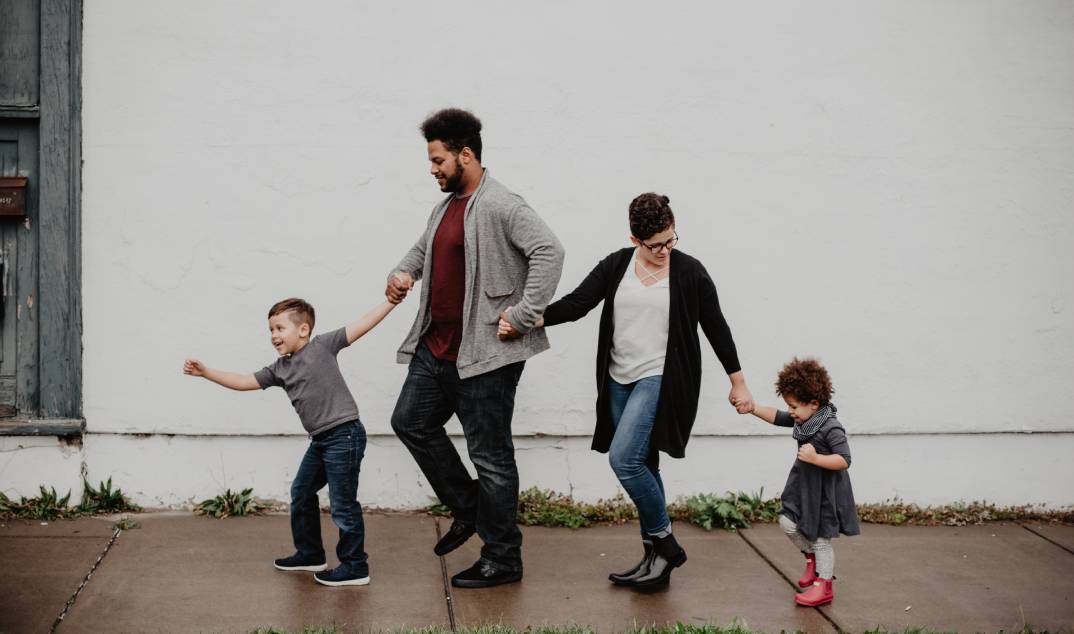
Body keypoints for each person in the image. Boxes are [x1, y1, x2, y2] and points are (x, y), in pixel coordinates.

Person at [499, 193, 754, 589]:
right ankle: (655, 562)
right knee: (645, 464)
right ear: (636, 239)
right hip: (618, 379)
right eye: (656, 245)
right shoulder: (618, 265)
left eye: (671, 240)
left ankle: (666, 544)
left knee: (624, 460)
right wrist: (527, 320)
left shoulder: (689, 272)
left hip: (661, 378)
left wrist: (737, 381)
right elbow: (578, 303)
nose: (665, 250)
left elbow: (716, 326)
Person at [386, 108, 564, 588]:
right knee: (410, 422)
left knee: (491, 457)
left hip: (485, 355)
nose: (433, 169)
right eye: (431, 159)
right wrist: (402, 273)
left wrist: (524, 314)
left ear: (466, 154)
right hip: (436, 348)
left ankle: (503, 558)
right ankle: (469, 509)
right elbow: (423, 250)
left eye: (438, 159)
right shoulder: (445, 206)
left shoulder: (502, 204)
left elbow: (550, 251)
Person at [183, 297, 396, 587]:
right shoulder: (280, 369)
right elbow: (244, 381)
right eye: (271, 330)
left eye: (280, 328)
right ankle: (310, 554)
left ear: (304, 329)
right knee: (302, 491)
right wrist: (206, 372)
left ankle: (355, 566)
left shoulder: (323, 346)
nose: (274, 336)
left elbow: (362, 325)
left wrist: (391, 301)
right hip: (320, 440)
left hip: (344, 435)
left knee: (343, 505)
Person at [744, 356, 860, 607]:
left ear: (814, 403)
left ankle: (824, 585)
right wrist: (753, 408)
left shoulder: (831, 427)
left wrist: (816, 457)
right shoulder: (804, 419)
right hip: (804, 486)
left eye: (794, 406)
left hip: (825, 491)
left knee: (820, 538)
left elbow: (844, 460)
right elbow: (777, 416)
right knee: (787, 521)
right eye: (790, 406)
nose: (791, 412)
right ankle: (811, 558)